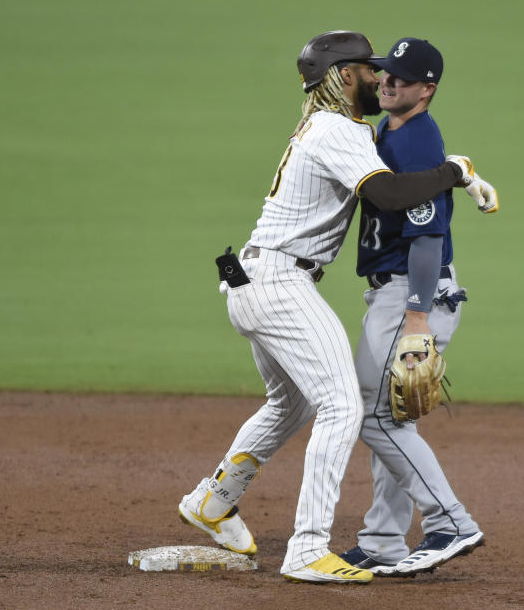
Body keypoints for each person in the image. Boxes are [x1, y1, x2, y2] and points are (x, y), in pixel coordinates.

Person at [177, 31, 496, 585]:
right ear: (346, 77)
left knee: (292, 404)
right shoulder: (341, 129)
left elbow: (407, 194)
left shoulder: (332, 127)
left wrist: (452, 173)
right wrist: (457, 172)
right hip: (280, 281)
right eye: (371, 70)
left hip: (254, 278)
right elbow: (392, 195)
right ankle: (307, 549)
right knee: (348, 407)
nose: (381, 78)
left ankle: (214, 499)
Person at [339, 38, 491, 577]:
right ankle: (383, 540)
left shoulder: (418, 143)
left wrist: (418, 319)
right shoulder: (391, 126)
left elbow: (428, 239)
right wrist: (462, 172)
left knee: (374, 413)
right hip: (393, 291)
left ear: (427, 90)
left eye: (401, 79)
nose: (387, 83)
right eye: (385, 74)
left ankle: (450, 521)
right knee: (393, 416)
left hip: (412, 293)